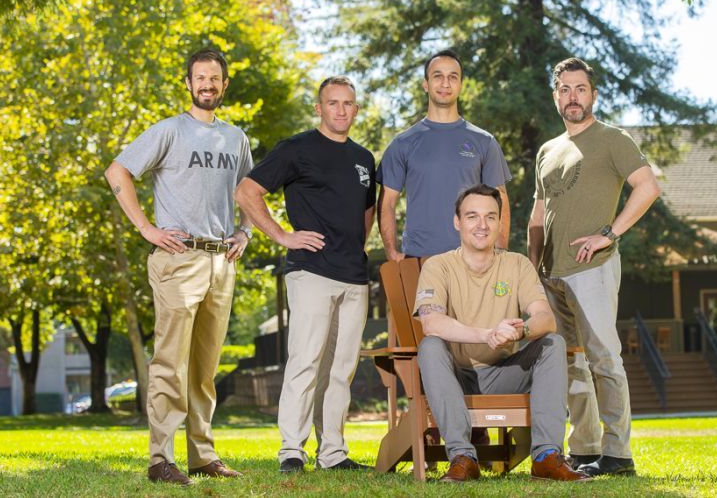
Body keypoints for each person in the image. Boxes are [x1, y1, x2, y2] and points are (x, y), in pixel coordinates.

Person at [105, 48, 252, 485]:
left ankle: (202, 455)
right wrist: (146, 228)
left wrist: (245, 231)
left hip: (221, 261)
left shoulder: (236, 139)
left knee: (205, 367)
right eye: (200, 78)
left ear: (225, 85)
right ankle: (160, 459)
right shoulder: (169, 131)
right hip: (177, 258)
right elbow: (117, 172)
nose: (208, 85)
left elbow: (249, 192)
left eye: (215, 79)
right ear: (187, 84)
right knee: (170, 362)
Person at [527, 57, 662, 477]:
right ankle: (584, 449)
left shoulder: (612, 139)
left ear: (593, 94)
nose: (573, 97)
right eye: (564, 89)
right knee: (571, 362)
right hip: (552, 274)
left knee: (604, 359)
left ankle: (618, 453)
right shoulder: (548, 150)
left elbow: (648, 187)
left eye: (580, 89)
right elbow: (538, 211)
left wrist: (610, 233)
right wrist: (532, 265)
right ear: (555, 97)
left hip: (593, 268)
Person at [235, 75, 376, 474]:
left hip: (353, 276)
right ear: (319, 107)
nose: (341, 110)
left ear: (356, 109)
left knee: (341, 367)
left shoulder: (364, 158)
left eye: (348, 104)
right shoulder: (296, 149)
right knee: (306, 361)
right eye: (333, 103)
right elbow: (246, 190)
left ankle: (332, 453)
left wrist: (355, 245)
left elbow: (367, 210)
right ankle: (291, 451)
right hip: (310, 271)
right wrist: (282, 235)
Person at [414, 184, 591, 483]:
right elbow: (432, 323)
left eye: (490, 217)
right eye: (472, 216)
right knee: (430, 345)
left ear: (499, 223)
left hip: (504, 374)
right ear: (457, 222)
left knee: (553, 343)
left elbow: (546, 319)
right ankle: (462, 458)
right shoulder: (438, 266)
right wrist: (486, 334)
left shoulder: (517, 264)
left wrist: (520, 330)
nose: (482, 225)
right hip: (454, 375)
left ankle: (546, 457)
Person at [377, 49, 512, 261]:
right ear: (426, 84)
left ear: (460, 85)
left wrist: (501, 254)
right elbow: (387, 203)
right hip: (419, 260)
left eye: (453, 77)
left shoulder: (484, 141)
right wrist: (392, 253)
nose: (445, 83)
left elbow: (500, 198)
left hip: (472, 259)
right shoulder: (402, 143)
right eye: (438, 76)